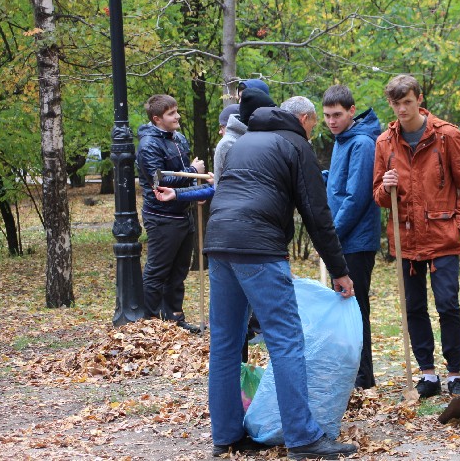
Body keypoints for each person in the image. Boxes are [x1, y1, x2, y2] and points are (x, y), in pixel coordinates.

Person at [203, 96, 359, 459]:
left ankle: (225, 435)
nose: (314, 130)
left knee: (226, 341)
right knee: (287, 338)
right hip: (258, 246)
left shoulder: (244, 142)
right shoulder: (294, 144)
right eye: (314, 123)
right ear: (303, 119)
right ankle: (303, 438)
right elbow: (317, 214)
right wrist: (339, 270)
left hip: (219, 242)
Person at [372, 74, 460, 398]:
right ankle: (428, 375)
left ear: (419, 99)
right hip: (406, 239)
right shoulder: (384, 144)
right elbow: (377, 195)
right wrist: (385, 187)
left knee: (448, 305)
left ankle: (455, 373)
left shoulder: (447, 136)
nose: (402, 109)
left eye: (407, 102)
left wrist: (458, 225)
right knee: (413, 307)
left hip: (442, 237)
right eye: (396, 103)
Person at [321, 84, 382, 389]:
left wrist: (330, 235)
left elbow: (357, 198)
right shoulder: (341, 140)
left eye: (337, 115)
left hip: (356, 240)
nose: (331, 121)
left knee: (355, 308)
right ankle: (352, 372)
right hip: (342, 239)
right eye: (327, 116)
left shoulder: (361, 144)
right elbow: (338, 182)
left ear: (351, 112)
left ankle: (363, 376)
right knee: (343, 308)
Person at [136, 94, 205, 334]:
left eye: (176, 111)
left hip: (182, 213)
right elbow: (159, 179)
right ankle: (148, 323)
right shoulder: (148, 145)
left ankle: (174, 319)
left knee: (179, 270)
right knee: (158, 270)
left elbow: (181, 179)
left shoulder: (179, 139)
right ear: (157, 119)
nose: (177, 116)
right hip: (162, 216)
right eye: (171, 114)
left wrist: (196, 191)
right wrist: (193, 171)